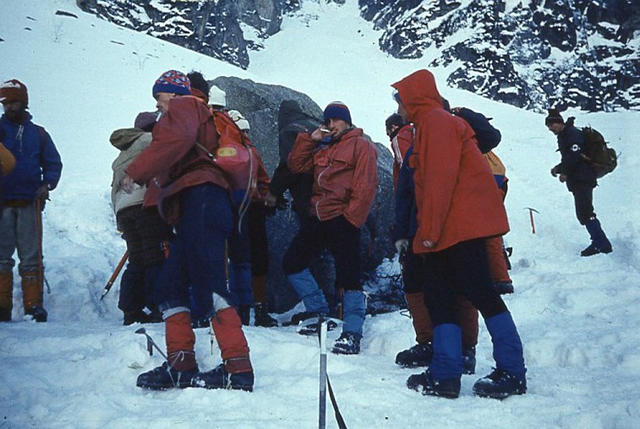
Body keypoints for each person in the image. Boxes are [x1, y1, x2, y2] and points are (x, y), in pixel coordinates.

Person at [392, 69, 526, 399]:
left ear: (414, 99)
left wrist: (428, 234)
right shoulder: (428, 125)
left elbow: (439, 183)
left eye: (401, 102)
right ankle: (446, 373)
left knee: (481, 293)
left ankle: (511, 370)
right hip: (451, 229)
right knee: (441, 297)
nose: (398, 110)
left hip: (458, 229)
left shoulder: (436, 123)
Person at [122, 70, 254, 391]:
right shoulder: (191, 112)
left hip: (204, 200)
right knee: (169, 285)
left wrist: (135, 171)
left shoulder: (185, 105)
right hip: (199, 205)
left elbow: (177, 141)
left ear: (173, 92)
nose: (159, 105)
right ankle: (181, 364)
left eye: (160, 96)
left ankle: (238, 369)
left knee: (210, 284)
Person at [285, 101, 378, 355]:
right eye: (328, 121)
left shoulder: (362, 145)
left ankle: (352, 331)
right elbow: (296, 166)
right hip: (318, 217)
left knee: (349, 275)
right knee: (292, 262)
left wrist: (352, 219)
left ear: (347, 121)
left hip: (343, 218)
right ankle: (318, 311)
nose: (331, 125)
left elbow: (366, 185)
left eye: (336, 120)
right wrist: (309, 139)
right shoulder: (322, 146)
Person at [389, 114, 478, 373]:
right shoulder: (415, 140)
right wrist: (403, 231)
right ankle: (432, 343)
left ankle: (462, 349)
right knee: (417, 284)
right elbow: (405, 190)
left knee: (457, 287)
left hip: (451, 227)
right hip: (418, 226)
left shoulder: (458, 139)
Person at [0, 79, 62, 322]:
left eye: (13, 102)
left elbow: (53, 163)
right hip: (2, 202)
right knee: (1, 256)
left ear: (24, 102)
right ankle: (2, 306)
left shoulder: (39, 134)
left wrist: (47, 184)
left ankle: (33, 305)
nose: (8, 107)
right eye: (5, 103)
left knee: (31, 255)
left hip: (29, 202)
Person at [110, 111, 171, 325]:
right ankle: (158, 307)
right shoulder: (149, 140)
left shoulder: (123, 154)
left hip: (124, 210)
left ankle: (130, 309)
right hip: (144, 205)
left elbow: (115, 188)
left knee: (137, 259)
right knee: (155, 256)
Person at [227, 109, 278, 327]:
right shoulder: (249, 150)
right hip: (252, 206)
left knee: (240, 258)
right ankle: (256, 307)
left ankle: (242, 308)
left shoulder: (233, 147)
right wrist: (266, 196)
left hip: (236, 206)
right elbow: (262, 177)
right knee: (254, 258)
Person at [546, 109, 612, 256]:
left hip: (583, 178)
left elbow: (574, 156)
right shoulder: (565, 134)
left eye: (551, 125)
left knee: (585, 211)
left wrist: (563, 171)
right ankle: (600, 242)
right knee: (584, 211)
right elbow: (570, 156)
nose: (550, 129)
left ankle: (601, 243)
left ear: (558, 122)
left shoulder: (572, 134)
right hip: (579, 178)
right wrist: (560, 169)